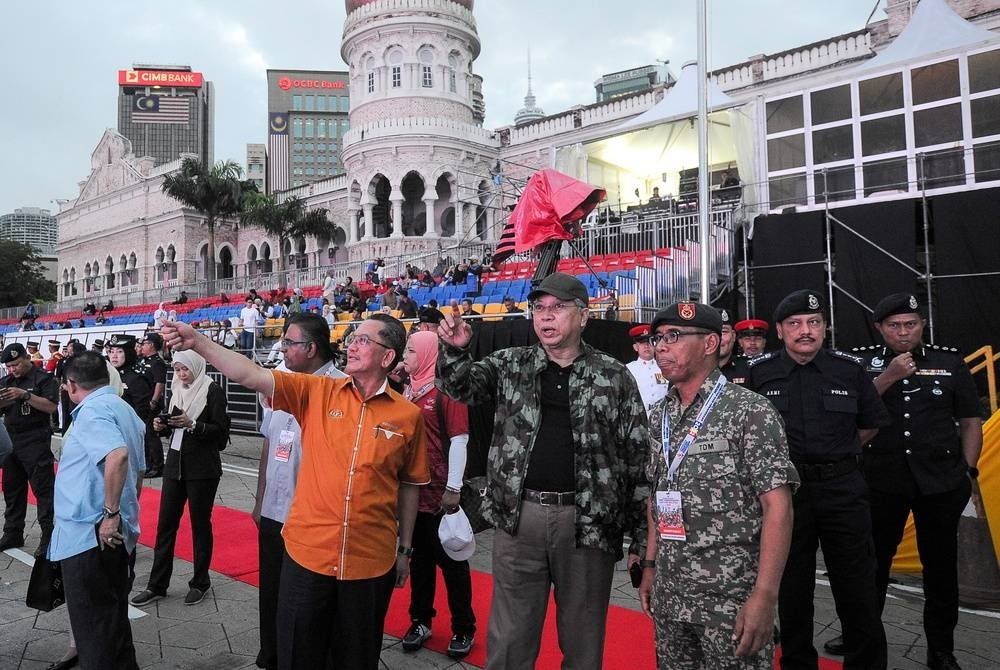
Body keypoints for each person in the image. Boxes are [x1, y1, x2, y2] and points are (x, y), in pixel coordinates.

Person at [158, 313, 429, 670]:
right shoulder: (318, 391)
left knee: (356, 658)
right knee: (298, 652)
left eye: (363, 340)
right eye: (351, 337)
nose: (351, 344)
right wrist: (200, 343)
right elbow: (251, 374)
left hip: (369, 561)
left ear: (388, 356)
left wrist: (405, 549)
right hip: (308, 555)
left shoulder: (408, 416)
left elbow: (409, 486)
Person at [436, 272, 649, 669]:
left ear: (583, 316)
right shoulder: (510, 364)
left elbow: (638, 458)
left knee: (583, 640)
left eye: (557, 308)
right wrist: (453, 349)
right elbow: (460, 387)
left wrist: (640, 538)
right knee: (510, 639)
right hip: (520, 520)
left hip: (587, 525)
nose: (545, 317)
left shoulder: (613, 375)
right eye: (539, 308)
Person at [638, 302, 797, 669]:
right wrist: (650, 565)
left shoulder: (749, 411)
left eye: (674, 337)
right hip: (671, 592)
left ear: (710, 344)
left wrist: (765, 596)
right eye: (658, 338)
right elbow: (658, 495)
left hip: (731, 600)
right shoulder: (660, 414)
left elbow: (779, 507)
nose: (661, 347)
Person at [747, 289, 890, 670]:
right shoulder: (760, 373)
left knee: (858, 587)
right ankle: (797, 663)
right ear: (780, 330)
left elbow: (869, 426)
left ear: (825, 327)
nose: (804, 330)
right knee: (793, 588)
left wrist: (836, 454)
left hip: (843, 490)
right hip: (788, 494)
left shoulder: (850, 370)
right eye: (794, 324)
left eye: (813, 323)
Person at [841, 293, 982, 670]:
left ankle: (940, 647)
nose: (903, 333)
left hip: (939, 481)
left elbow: (970, 420)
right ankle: (864, 638)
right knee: (872, 564)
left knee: (940, 567)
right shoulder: (860, 362)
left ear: (922, 326)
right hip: (880, 480)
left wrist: (968, 472)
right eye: (894, 326)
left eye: (910, 325)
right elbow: (851, 411)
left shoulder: (948, 360)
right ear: (880, 328)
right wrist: (888, 376)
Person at [251, 314, 347, 670]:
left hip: (314, 518)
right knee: (272, 590)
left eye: (289, 343)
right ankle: (272, 654)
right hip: (275, 510)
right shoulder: (281, 383)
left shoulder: (342, 389)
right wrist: (260, 500)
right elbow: (268, 442)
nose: (283, 348)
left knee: (309, 601)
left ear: (311, 348)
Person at [50, 352, 144, 670]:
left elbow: (117, 456)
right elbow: (138, 470)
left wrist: (110, 513)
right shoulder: (124, 408)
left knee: (94, 629)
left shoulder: (92, 411)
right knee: (113, 620)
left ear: (72, 384)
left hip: (90, 534)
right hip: (109, 533)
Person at [131, 349, 230, 607]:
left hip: (202, 469)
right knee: (165, 526)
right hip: (175, 466)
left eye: (185, 369)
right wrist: (161, 425)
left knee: (200, 525)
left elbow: (220, 436)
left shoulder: (212, 390)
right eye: (177, 369)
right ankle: (157, 584)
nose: (182, 374)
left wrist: (193, 424)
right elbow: (174, 426)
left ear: (196, 366)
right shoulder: (176, 388)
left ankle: (200, 582)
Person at [399, 331, 476, 659]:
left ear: (430, 354)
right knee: (419, 562)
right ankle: (420, 620)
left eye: (411, 350)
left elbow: (460, 439)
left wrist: (453, 489)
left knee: (454, 564)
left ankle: (463, 627)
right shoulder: (408, 388)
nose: (406, 355)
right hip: (414, 494)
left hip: (441, 494)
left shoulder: (447, 391)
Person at [0, 343, 59, 557]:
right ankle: (12, 532)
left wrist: (24, 395)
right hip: (11, 440)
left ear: (27, 358)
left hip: (35, 439)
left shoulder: (43, 378)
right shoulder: (6, 382)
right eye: (9, 366)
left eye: (15, 364)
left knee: (43, 491)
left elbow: (51, 407)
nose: (12, 370)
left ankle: (48, 535)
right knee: (12, 489)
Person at [137, 333, 169, 477]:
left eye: (144, 344)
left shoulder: (157, 362)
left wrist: (154, 401)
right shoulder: (143, 360)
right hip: (142, 402)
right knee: (143, 434)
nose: (142, 346)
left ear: (151, 345)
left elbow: (159, 384)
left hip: (151, 403)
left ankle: (158, 466)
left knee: (151, 434)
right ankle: (148, 463)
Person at [624, 324, 669, 413]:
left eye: (650, 341)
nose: (646, 346)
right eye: (642, 342)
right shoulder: (628, 369)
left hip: (662, 415)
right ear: (635, 347)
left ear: (655, 344)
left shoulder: (664, 366)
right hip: (639, 417)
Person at [719, 309, 752, 386]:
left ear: (733, 336)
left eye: (724, 332)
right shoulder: (694, 370)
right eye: (714, 332)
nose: (720, 338)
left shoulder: (751, 369)